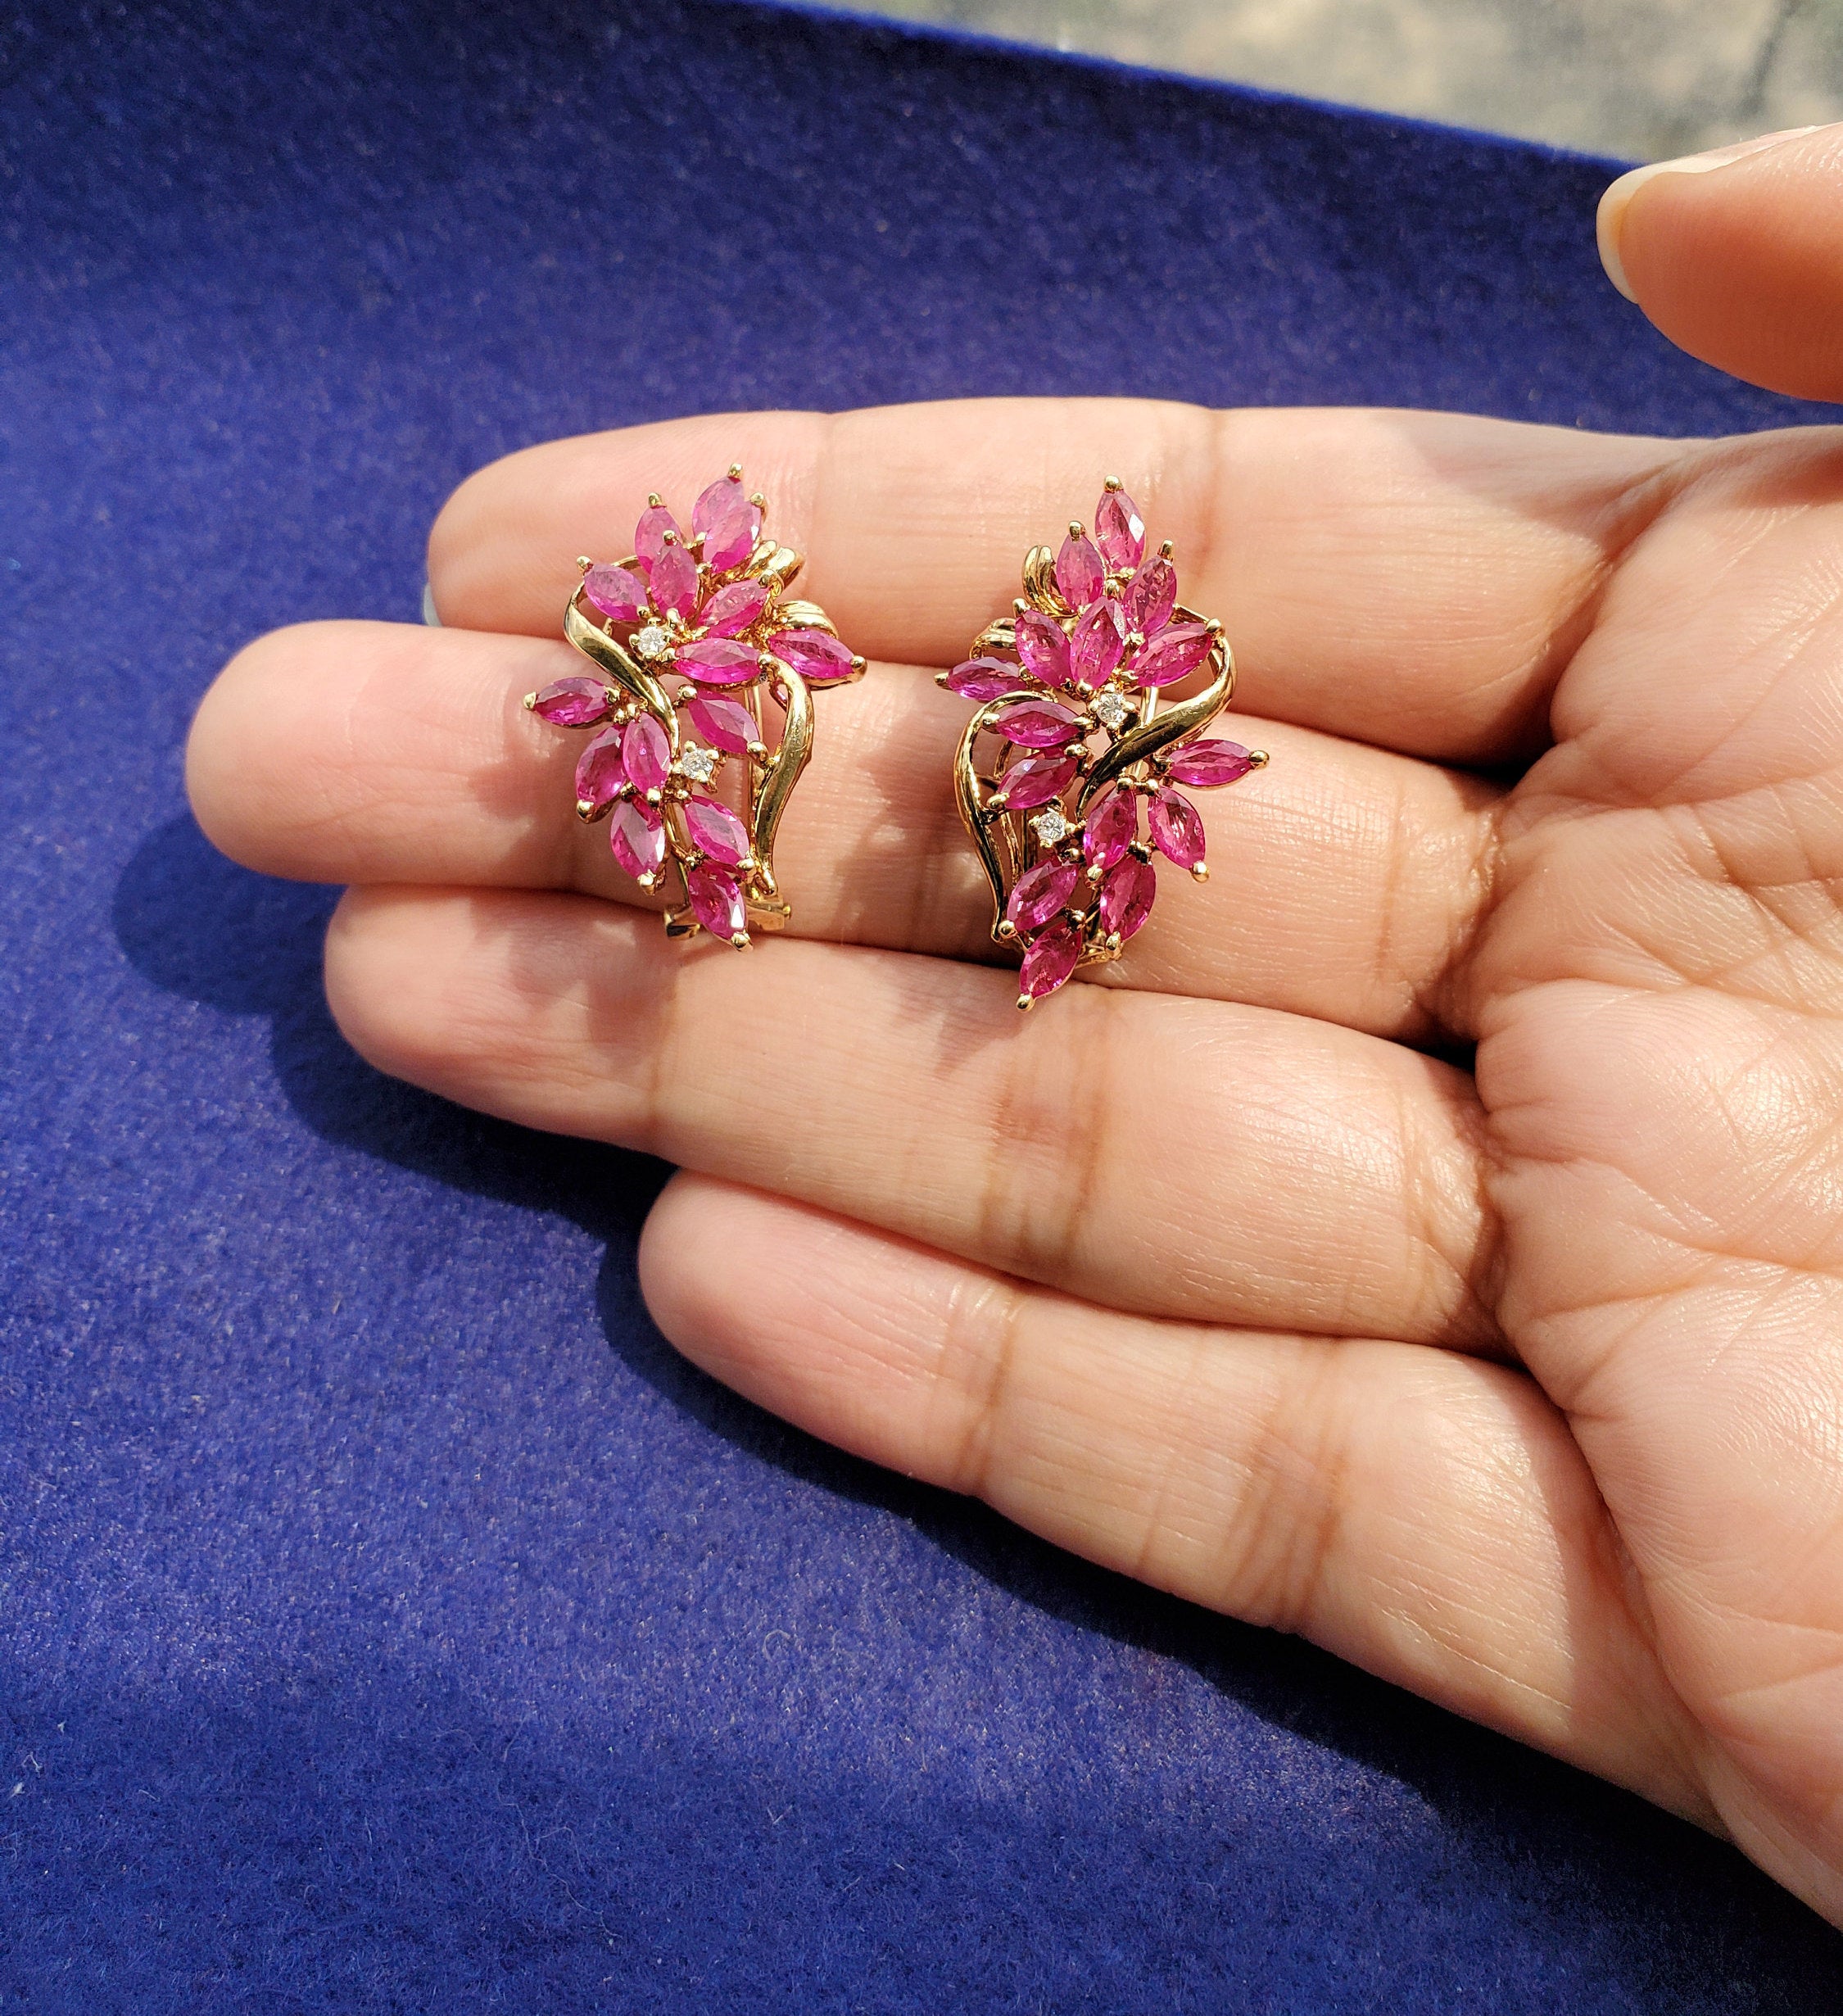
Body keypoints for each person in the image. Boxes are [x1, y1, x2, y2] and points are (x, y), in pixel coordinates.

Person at [185, 125, 1843, 1924]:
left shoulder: (1090, 700)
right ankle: (763, 880)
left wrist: (1073, 780)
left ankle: (906, 892)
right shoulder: (787, 680)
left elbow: (1131, 706)